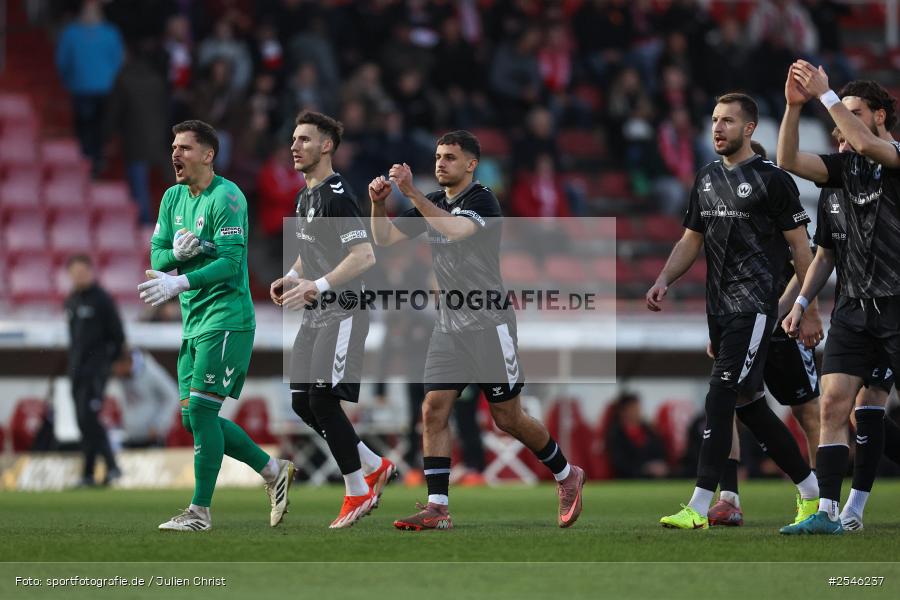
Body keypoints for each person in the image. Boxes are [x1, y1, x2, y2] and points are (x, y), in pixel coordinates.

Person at [369, 130, 585, 531]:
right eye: (437, 155)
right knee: (433, 408)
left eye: (450, 157)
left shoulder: (482, 199)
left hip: (489, 323)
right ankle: (437, 507)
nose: (440, 163)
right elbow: (384, 239)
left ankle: (566, 474)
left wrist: (412, 193)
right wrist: (378, 205)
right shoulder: (433, 201)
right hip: (449, 326)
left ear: (471, 165)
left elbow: (456, 231)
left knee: (508, 418)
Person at [646, 93, 820, 530]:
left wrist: (808, 307)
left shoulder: (773, 180)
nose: (718, 128)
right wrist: (665, 278)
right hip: (718, 308)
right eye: (714, 120)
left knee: (720, 394)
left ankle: (700, 504)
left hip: (756, 305)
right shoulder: (705, 179)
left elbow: (802, 248)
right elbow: (690, 240)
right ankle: (812, 491)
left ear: (749, 129)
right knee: (750, 405)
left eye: (727, 121)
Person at [139, 119, 294, 532]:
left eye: (185, 148)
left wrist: (181, 279)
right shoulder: (172, 198)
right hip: (193, 322)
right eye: (174, 147)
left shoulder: (228, 197)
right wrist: (173, 254)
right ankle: (271, 469)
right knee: (194, 419)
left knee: (204, 414)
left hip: (226, 319)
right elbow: (156, 256)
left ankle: (199, 512)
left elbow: (229, 264)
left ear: (208, 155)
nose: (176, 154)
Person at [778, 69, 900, 534]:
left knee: (869, 411)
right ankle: (829, 512)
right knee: (833, 406)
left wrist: (825, 92)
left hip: (896, 305)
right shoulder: (840, 177)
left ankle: (852, 509)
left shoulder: (893, 156)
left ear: (880, 116)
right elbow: (787, 159)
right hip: (852, 309)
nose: (842, 127)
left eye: (854, 115)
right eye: (840, 117)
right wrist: (793, 105)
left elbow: (869, 146)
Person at [268, 111, 396, 529]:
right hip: (317, 311)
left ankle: (357, 490)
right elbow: (312, 248)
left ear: (326, 146)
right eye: (293, 139)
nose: (294, 146)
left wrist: (317, 286)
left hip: (343, 310)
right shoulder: (304, 196)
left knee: (323, 399)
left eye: (304, 139)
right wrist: (291, 277)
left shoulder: (337, 196)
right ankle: (373, 465)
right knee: (301, 402)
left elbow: (364, 255)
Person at [706, 140, 824, 527]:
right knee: (733, 401)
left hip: (782, 320)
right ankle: (729, 498)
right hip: (741, 319)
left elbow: (803, 259)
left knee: (808, 411)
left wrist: (801, 309)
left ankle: (824, 501)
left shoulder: (775, 194)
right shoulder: (723, 204)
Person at [64, 254, 124, 486]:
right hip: (76, 371)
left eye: (83, 272)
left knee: (89, 419)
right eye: (75, 273)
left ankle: (111, 466)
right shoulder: (71, 301)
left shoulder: (102, 300)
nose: (79, 276)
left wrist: (106, 365)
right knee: (82, 421)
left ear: (91, 272)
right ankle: (89, 474)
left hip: (95, 373)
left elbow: (118, 336)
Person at [55, 0, 123, 177]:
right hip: (99, 88)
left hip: (84, 88)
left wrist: (69, 81)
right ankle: (94, 161)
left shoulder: (72, 33)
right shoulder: (109, 32)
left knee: (87, 128)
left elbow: (62, 63)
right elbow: (118, 61)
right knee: (97, 128)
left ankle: (88, 162)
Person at [111, 347, 179, 447]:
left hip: (152, 438)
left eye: (118, 367)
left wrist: (159, 424)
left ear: (127, 362)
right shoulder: (122, 377)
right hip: (131, 436)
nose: (116, 371)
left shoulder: (151, 372)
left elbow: (173, 396)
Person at [606, 392, 669, 479]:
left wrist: (658, 465)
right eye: (633, 408)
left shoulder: (649, 431)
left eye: (638, 407)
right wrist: (645, 469)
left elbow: (660, 452)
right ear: (623, 411)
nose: (637, 411)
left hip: (654, 477)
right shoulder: (616, 434)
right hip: (629, 478)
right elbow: (620, 463)